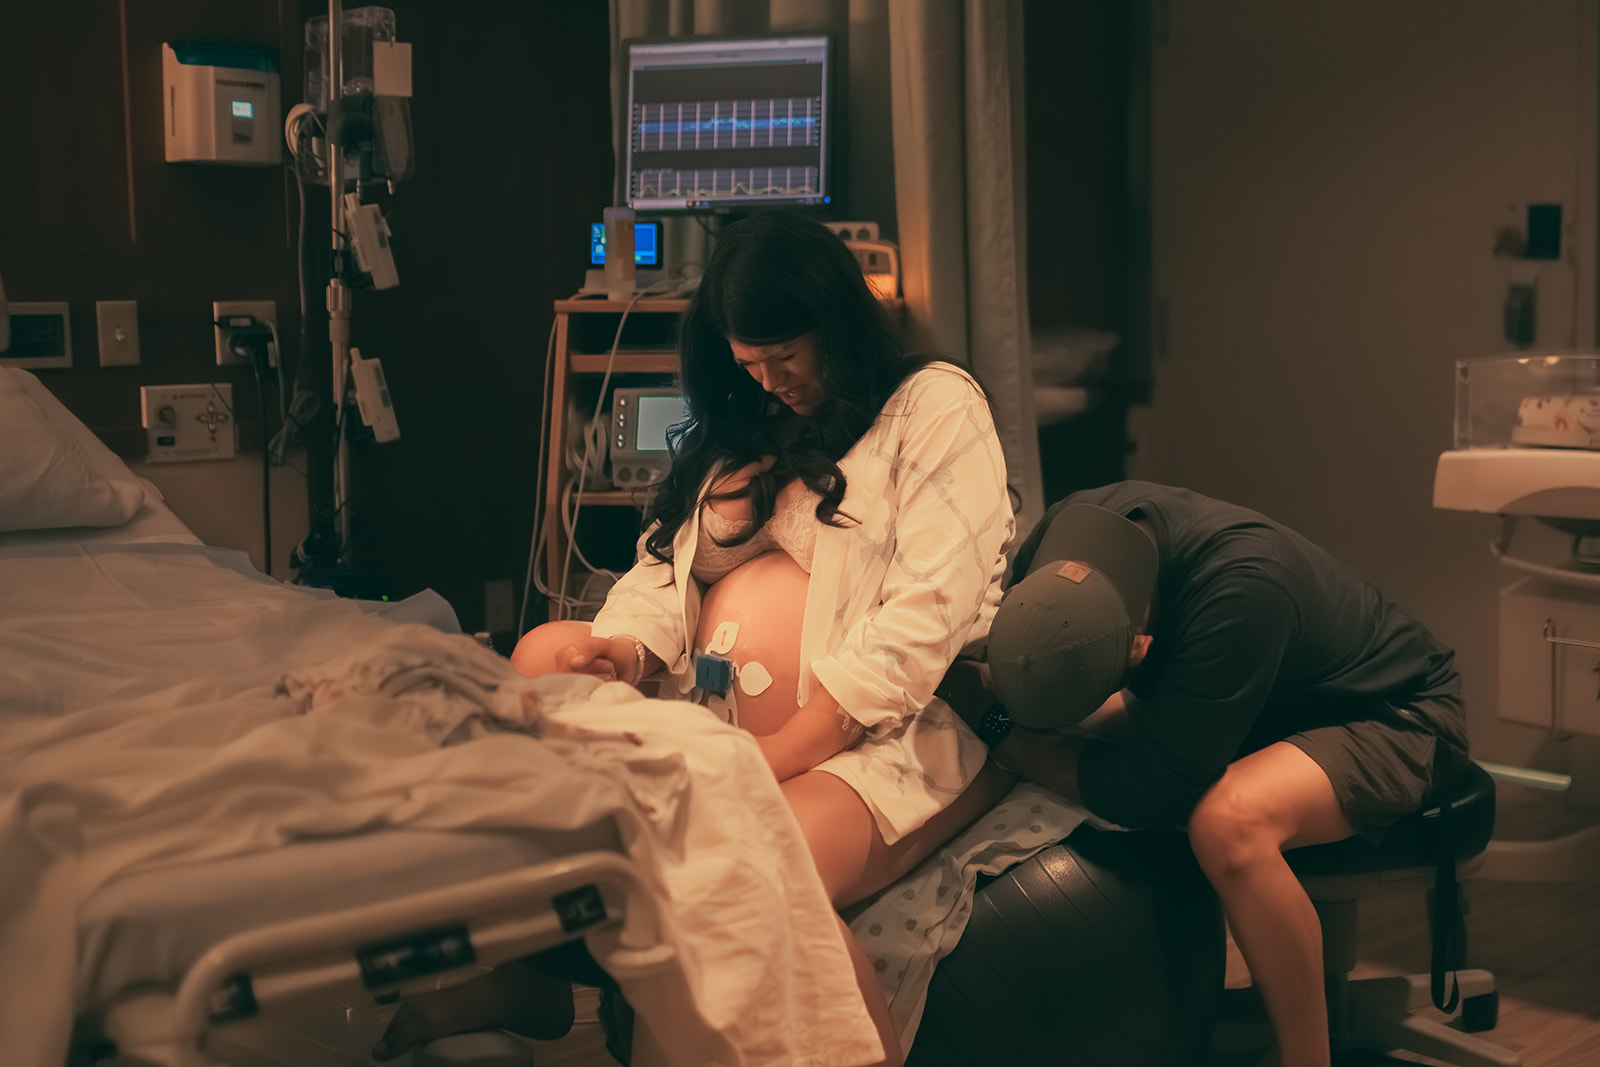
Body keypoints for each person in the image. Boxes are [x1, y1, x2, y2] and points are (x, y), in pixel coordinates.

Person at [376, 212, 1015, 1065]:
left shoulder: (930, 407)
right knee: (539, 663)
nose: (772, 382)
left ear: (835, 319)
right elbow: (664, 566)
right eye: (750, 366)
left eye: (785, 357)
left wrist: (779, 753)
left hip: (882, 735)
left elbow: (921, 621)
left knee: (747, 855)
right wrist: (629, 650)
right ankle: (532, 970)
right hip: (722, 719)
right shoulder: (754, 423)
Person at [947, 481, 1467, 1067]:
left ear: (1141, 650)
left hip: (1395, 713)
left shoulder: (1241, 593)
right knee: (1082, 737)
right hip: (1267, 695)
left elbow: (1155, 792)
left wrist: (1004, 735)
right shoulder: (1071, 528)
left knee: (1227, 823)